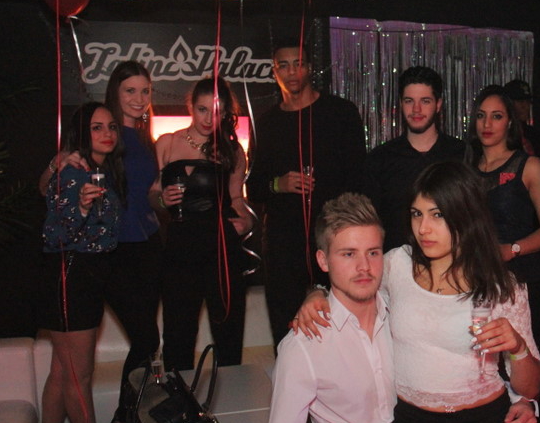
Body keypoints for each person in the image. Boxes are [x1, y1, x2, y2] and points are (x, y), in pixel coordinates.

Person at [296, 162, 540, 423]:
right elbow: (350, 281)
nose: (423, 228)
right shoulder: (397, 265)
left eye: (437, 215)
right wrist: (316, 292)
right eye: (417, 214)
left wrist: (517, 348)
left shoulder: (502, 285)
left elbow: (530, 387)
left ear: (466, 215)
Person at [39, 60, 162, 423]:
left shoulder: (143, 138)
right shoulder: (103, 134)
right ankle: (122, 420)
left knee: (146, 340)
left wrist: (164, 196)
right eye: (130, 91)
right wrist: (57, 163)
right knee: (146, 336)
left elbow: (144, 194)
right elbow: (47, 188)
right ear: (115, 92)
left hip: (148, 244)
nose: (139, 98)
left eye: (145, 91)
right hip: (112, 250)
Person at [264, 192, 396, 423]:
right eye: (348, 254)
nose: (364, 267)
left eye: (373, 253)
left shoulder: (403, 314)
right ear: (323, 260)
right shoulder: (304, 345)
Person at [246, 41, 366, 350]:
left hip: (333, 239)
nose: (291, 71)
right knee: (287, 330)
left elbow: (359, 179)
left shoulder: (340, 113)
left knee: (338, 329)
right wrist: (279, 184)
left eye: (297, 63)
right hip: (284, 245)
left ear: (309, 68)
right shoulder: (267, 123)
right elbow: (254, 187)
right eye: (283, 65)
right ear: (274, 72)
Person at [34, 102, 127, 423]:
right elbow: (55, 230)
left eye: (111, 126)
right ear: (81, 134)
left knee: (62, 370)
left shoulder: (98, 170)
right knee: (78, 375)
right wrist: (82, 208)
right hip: (69, 275)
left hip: (85, 275)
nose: (107, 133)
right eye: (96, 127)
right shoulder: (73, 172)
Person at [150, 77, 254, 370]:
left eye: (217, 111)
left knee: (228, 331)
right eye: (202, 109)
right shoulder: (167, 142)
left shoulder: (232, 150)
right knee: (178, 332)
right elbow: (153, 193)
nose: (209, 119)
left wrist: (246, 222)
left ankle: (230, 396)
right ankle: (179, 396)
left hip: (220, 244)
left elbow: (236, 198)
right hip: (180, 245)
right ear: (191, 107)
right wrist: (162, 200)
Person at [469, 85, 540, 349]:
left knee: (523, 359)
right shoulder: (466, 169)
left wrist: (512, 249)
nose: (487, 124)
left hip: (523, 279)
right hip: (476, 280)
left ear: (510, 122)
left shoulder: (530, 166)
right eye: (481, 116)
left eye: (496, 116)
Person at [361, 66, 467, 251]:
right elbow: (369, 224)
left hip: (452, 261)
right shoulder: (380, 159)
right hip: (394, 264)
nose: (416, 109)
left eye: (425, 101)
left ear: (438, 104)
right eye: (409, 101)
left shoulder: (461, 154)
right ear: (400, 104)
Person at [504, 79, 540, 164]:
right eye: (520, 101)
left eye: (528, 102)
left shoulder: (535, 135)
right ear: (508, 104)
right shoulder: (502, 136)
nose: (525, 106)